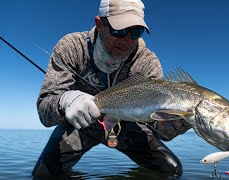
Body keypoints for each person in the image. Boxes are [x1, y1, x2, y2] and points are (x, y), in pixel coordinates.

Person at [32, 0, 191, 177]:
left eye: (136, 32)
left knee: (172, 170)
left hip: (129, 125)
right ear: (99, 24)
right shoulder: (71, 47)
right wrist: (64, 101)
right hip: (81, 123)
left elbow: (159, 129)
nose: (128, 40)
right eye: (120, 30)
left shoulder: (147, 62)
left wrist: (178, 123)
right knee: (43, 175)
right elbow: (44, 112)